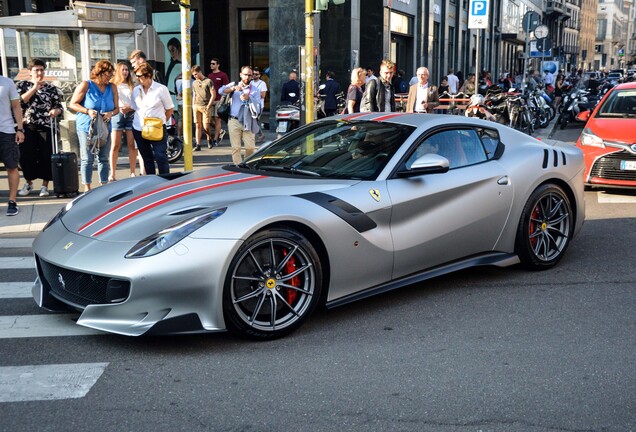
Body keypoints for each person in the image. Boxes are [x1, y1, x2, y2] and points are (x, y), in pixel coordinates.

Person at [68, 60, 119, 192]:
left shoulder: (112, 87)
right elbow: (72, 104)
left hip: (105, 127)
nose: (110, 77)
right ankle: (87, 188)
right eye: (108, 74)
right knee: (87, 158)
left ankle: (104, 186)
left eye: (111, 75)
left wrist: (111, 113)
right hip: (87, 127)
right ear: (100, 72)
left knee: (103, 157)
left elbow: (117, 109)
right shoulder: (86, 85)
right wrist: (87, 111)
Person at [16, 58, 63, 198]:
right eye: (36, 70)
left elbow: (58, 105)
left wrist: (56, 111)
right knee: (26, 156)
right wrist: (34, 88)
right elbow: (19, 102)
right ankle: (29, 183)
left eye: (42, 70)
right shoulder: (22, 85)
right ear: (29, 71)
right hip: (27, 125)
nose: (40, 73)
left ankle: (45, 186)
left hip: (46, 125)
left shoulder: (51, 88)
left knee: (45, 156)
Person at [130, 63, 174, 175]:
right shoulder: (136, 90)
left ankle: (165, 181)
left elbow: (169, 109)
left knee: (160, 156)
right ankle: (152, 182)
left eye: (140, 76)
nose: (137, 78)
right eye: (136, 76)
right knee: (147, 158)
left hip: (156, 127)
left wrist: (160, 122)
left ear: (149, 75)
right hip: (139, 127)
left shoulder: (160, 89)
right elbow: (135, 108)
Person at [220, 66, 262, 164]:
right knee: (236, 147)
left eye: (249, 75)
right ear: (240, 74)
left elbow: (259, 106)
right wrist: (233, 88)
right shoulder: (234, 85)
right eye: (245, 74)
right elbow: (221, 91)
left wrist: (249, 98)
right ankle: (238, 167)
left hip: (249, 120)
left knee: (250, 147)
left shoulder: (255, 90)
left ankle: (246, 164)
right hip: (234, 120)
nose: (247, 77)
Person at [108, 61, 138, 180]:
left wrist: (130, 108)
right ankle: (113, 173)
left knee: (131, 145)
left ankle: (132, 172)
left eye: (127, 70)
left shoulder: (132, 85)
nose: (125, 72)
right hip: (117, 114)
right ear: (118, 72)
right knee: (115, 145)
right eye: (123, 70)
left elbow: (136, 102)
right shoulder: (112, 84)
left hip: (130, 114)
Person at [1, 74, 25, 216]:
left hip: (6, 130)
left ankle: (12, 201)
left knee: (11, 166)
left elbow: (16, 106)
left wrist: (20, 129)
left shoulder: (7, 82)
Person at [191, 64, 216, 151]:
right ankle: (198, 144)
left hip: (205, 105)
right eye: (193, 75)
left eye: (195, 74)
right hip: (197, 105)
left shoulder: (208, 81)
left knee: (206, 126)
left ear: (199, 72)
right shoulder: (194, 83)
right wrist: (193, 104)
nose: (195, 76)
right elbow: (194, 94)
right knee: (197, 125)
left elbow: (213, 94)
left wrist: (209, 106)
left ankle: (209, 139)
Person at [207, 58, 230, 147]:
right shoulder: (209, 76)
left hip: (219, 100)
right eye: (211, 64)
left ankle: (215, 139)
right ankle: (220, 131)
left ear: (218, 65)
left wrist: (225, 99)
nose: (211, 65)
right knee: (208, 120)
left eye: (213, 64)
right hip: (211, 100)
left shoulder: (223, 75)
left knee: (217, 119)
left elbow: (226, 87)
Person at [165, 38, 182, 137]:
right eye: (170, 51)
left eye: (173, 50)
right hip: (172, 97)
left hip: (177, 97)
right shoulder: (173, 64)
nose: (172, 53)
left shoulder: (181, 64)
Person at [251, 67, 268, 142]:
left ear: (259, 75)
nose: (254, 75)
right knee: (252, 120)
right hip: (251, 104)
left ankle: (260, 135)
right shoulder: (250, 82)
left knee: (255, 120)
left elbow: (263, 95)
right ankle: (259, 135)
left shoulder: (262, 83)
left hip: (259, 105)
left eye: (256, 74)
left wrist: (253, 94)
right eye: (253, 74)